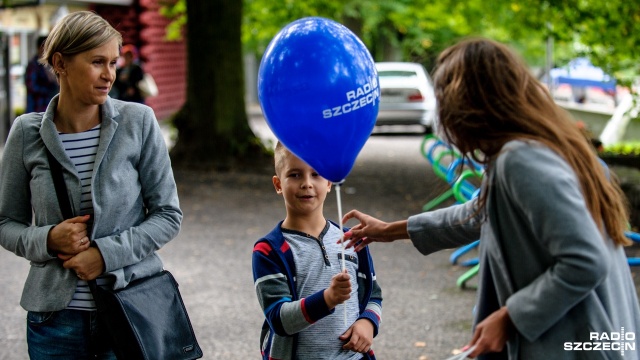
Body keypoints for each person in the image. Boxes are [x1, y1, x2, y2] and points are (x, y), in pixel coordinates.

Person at [342, 37, 640, 360]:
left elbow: (586, 260)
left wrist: (510, 317)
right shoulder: (547, 145)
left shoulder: (521, 159)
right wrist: (391, 231)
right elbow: (480, 212)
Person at [0, 11, 182, 359]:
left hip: (131, 308)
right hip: (54, 320)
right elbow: (5, 223)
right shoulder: (26, 133)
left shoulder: (138, 121)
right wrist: (47, 239)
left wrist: (104, 255)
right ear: (60, 63)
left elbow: (167, 215)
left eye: (113, 62)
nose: (109, 74)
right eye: (97, 62)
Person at [252, 142, 383, 360]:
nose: (306, 183)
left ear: (329, 182)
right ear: (278, 184)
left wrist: (368, 322)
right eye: (294, 175)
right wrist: (328, 299)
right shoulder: (269, 250)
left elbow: (373, 294)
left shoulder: (352, 240)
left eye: (316, 174)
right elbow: (279, 319)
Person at [24, 35, 59, 113]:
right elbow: (32, 87)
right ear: (40, 48)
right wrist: (50, 88)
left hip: (49, 109)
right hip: (36, 108)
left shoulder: (51, 64)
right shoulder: (33, 66)